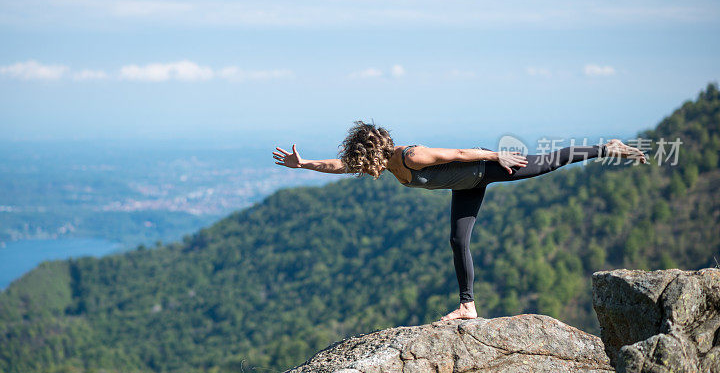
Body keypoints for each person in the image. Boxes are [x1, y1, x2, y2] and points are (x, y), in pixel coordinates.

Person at [273, 120, 648, 322]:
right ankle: (467, 306)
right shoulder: (385, 164)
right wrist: (304, 164)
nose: (359, 169)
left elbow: (456, 152)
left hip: (487, 166)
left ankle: (607, 148)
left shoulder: (411, 157)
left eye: (361, 161)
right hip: (468, 185)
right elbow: (340, 166)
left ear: (375, 153)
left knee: (549, 162)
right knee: (458, 240)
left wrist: (497, 155)